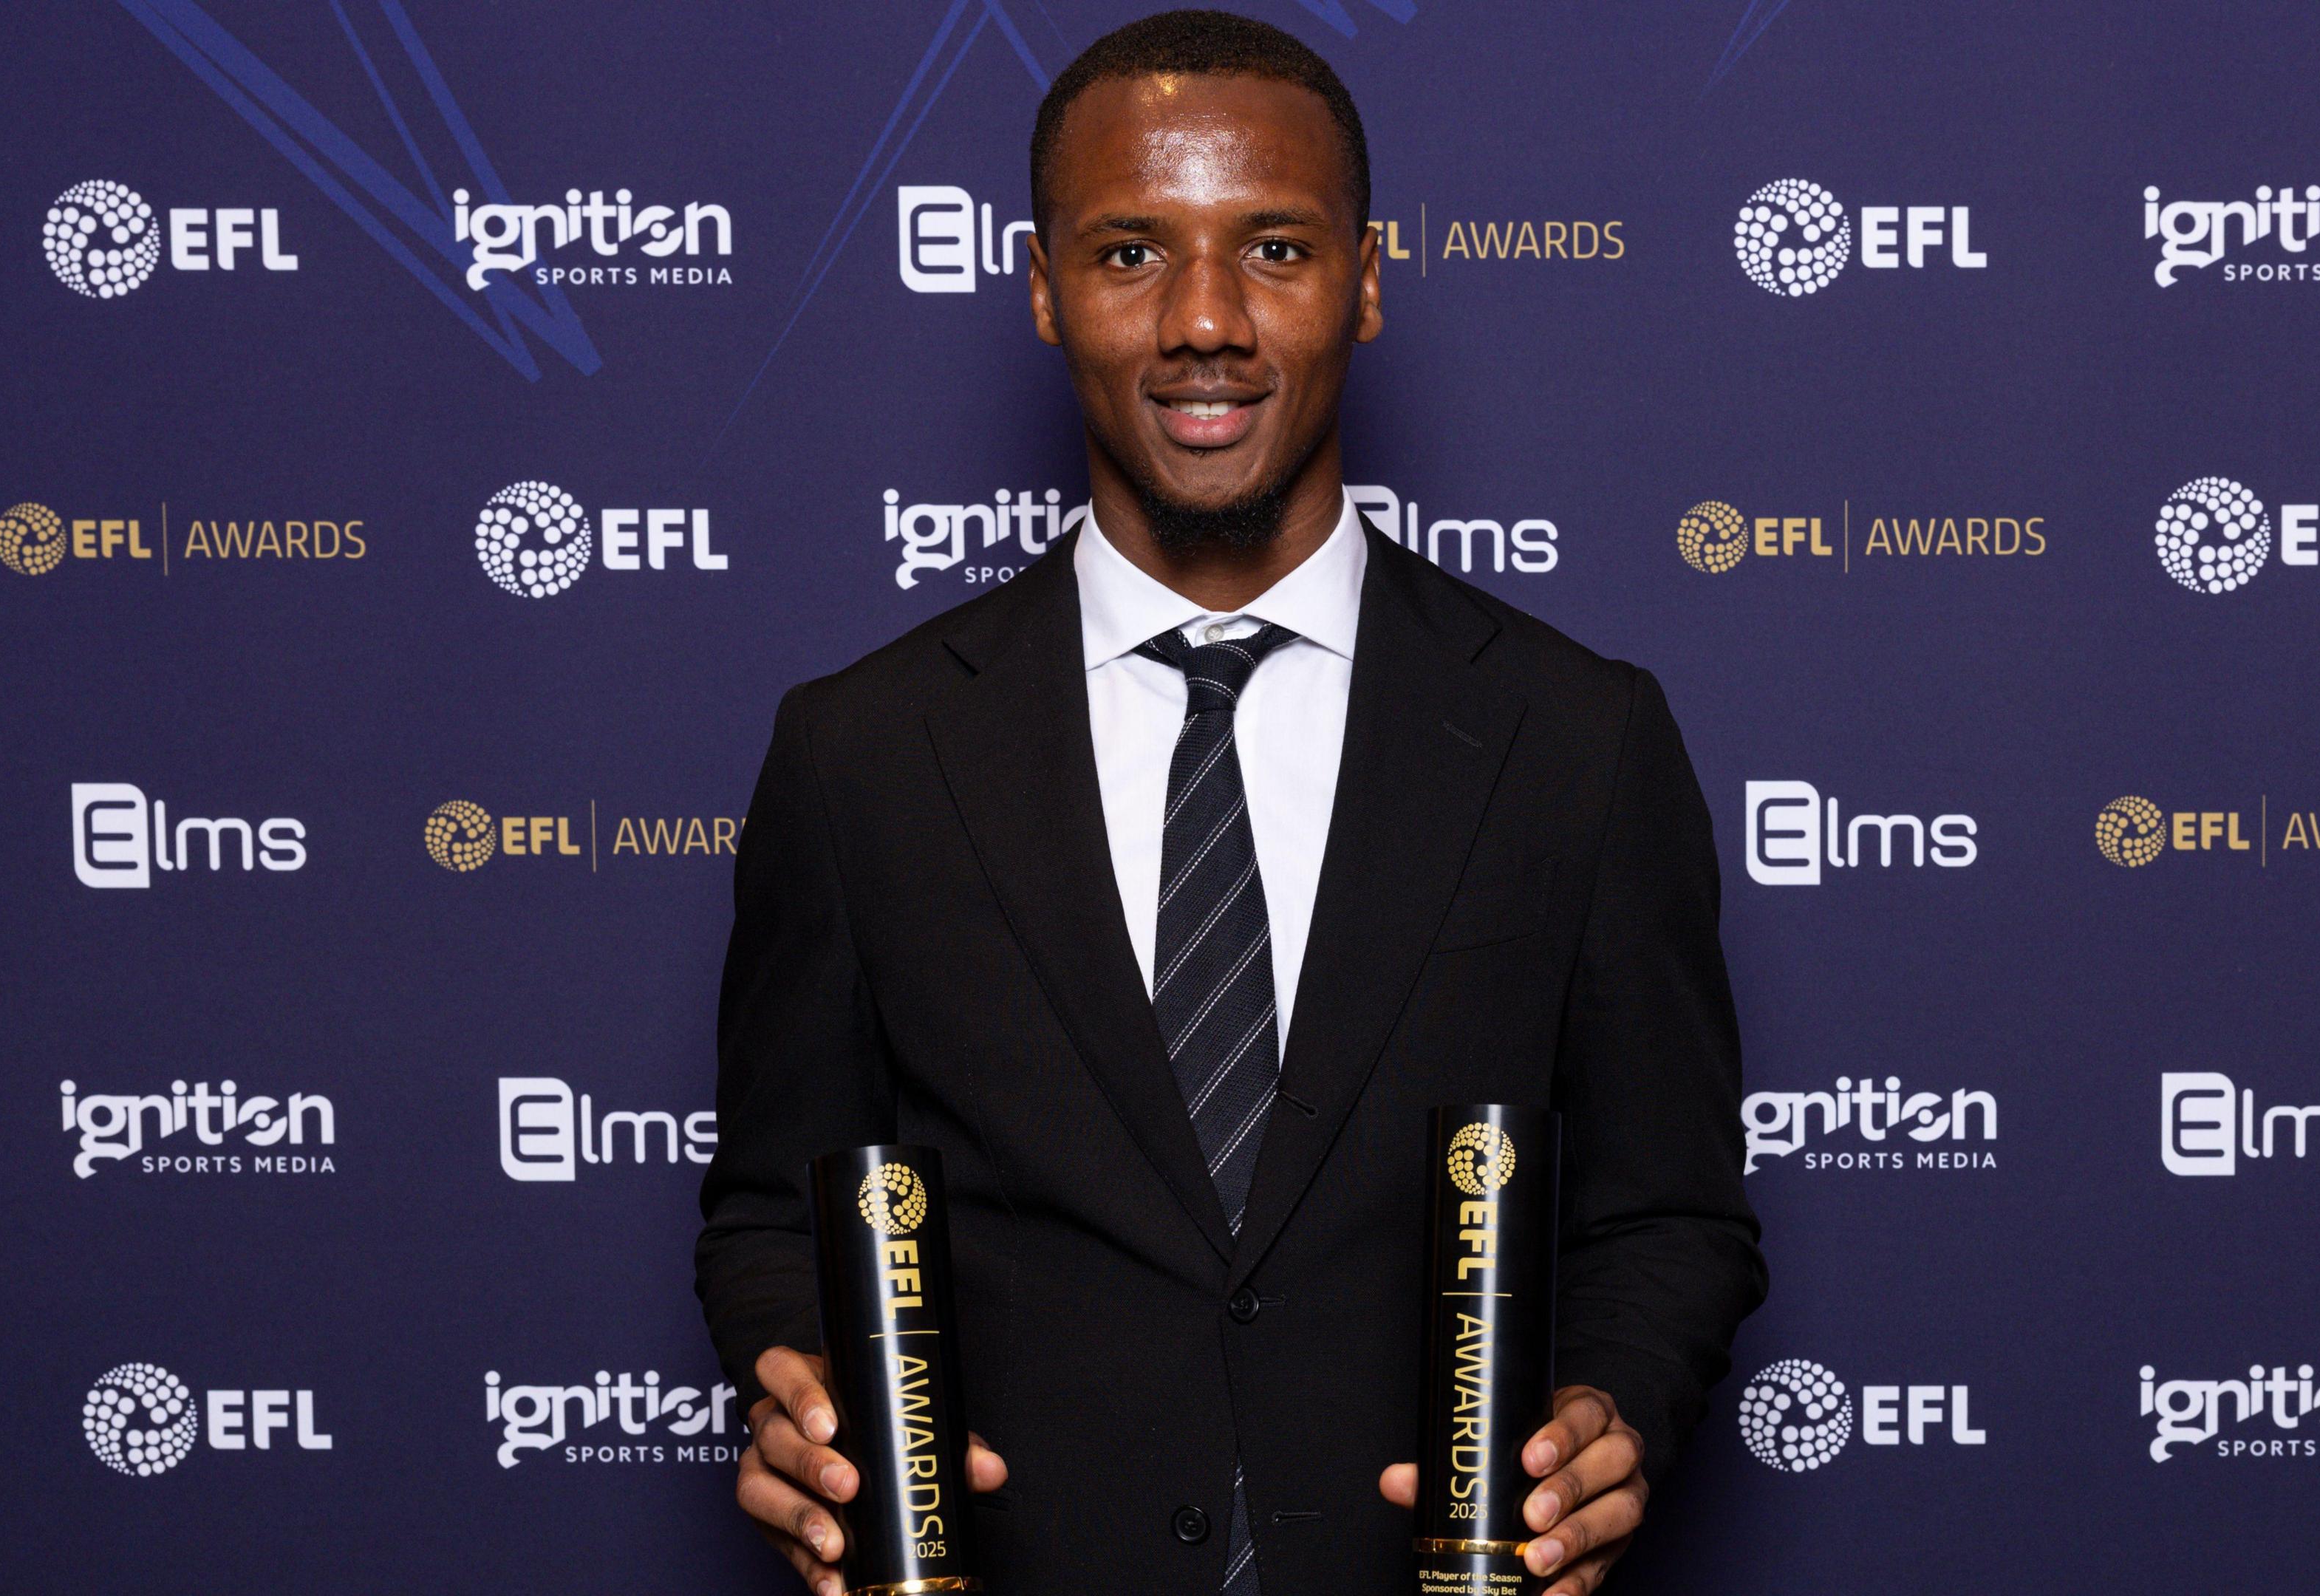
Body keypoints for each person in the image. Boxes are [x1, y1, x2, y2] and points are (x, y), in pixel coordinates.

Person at [695, 12, 1763, 1595]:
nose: (1207, 320)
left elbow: (1671, 1219)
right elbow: (774, 1216)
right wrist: (809, 1398)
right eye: (1131, 253)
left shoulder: (1578, 738)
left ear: (1369, 279)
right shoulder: (862, 753)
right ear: (1045, 290)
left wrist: (1606, 1412)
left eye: (1274, 247)